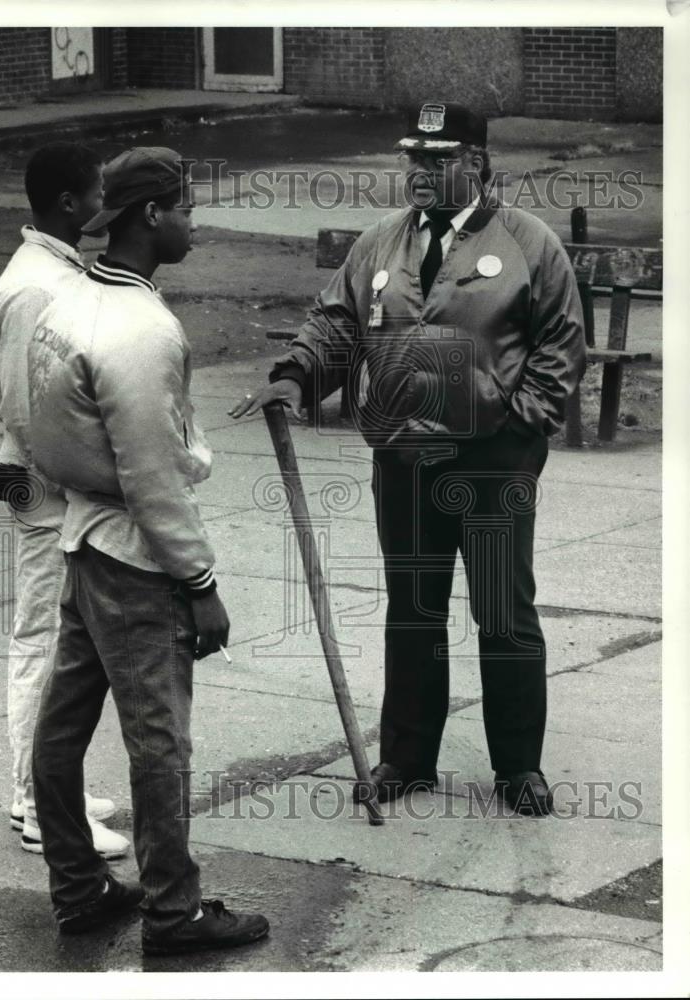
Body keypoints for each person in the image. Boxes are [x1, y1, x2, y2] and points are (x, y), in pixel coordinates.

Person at [230, 101, 586, 817]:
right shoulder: (380, 244)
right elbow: (335, 322)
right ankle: (407, 757)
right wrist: (298, 374)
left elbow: (558, 343)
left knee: (500, 610)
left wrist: (518, 430)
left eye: (437, 158)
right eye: (413, 157)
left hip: (490, 462)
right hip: (403, 458)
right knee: (413, 608)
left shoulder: (528, 242)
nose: (420, 171)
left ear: (476, 164)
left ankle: (518, 766)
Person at [27, 146, 270, 951]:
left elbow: (34, 429)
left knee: (61, 731)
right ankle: (174, 911)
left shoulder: (67, 300)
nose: (196, 225)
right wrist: (200, 582)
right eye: (188, 210)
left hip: (82, 541)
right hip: (133, 558)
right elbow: (153, 477)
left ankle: (78, 888)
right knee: (158, 741)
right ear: (152, 216)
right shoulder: (140, 327)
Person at [0, 142, 127, 857]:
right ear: (69, 204)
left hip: (33, 476)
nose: (107, 204)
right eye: (99, 192)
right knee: (45, 640)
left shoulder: (48, 270)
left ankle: (37, 784)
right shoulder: (37, 284)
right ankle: (41, 801)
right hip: (40, 483)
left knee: (54, 637)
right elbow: (20, 404)